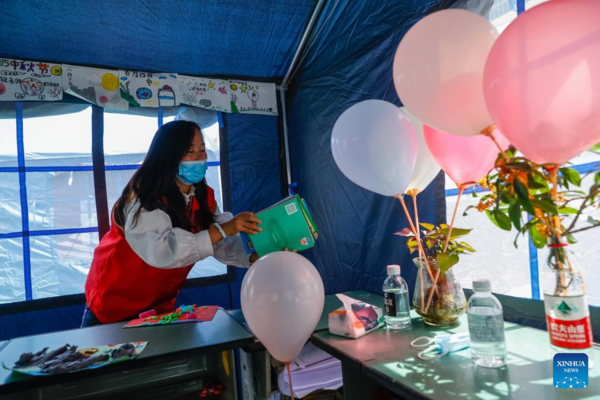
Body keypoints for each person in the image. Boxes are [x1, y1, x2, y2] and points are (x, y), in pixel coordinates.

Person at [82, 120, 262, 327]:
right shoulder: (143, 198)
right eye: (190, 151)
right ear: (168, 155)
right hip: (114, 305)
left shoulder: (203, 196)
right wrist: (224, 229)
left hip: (158, 305)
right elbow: (165, 251)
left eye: (202, 149)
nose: (200, 157)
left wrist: (256, 257)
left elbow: (218, 242)